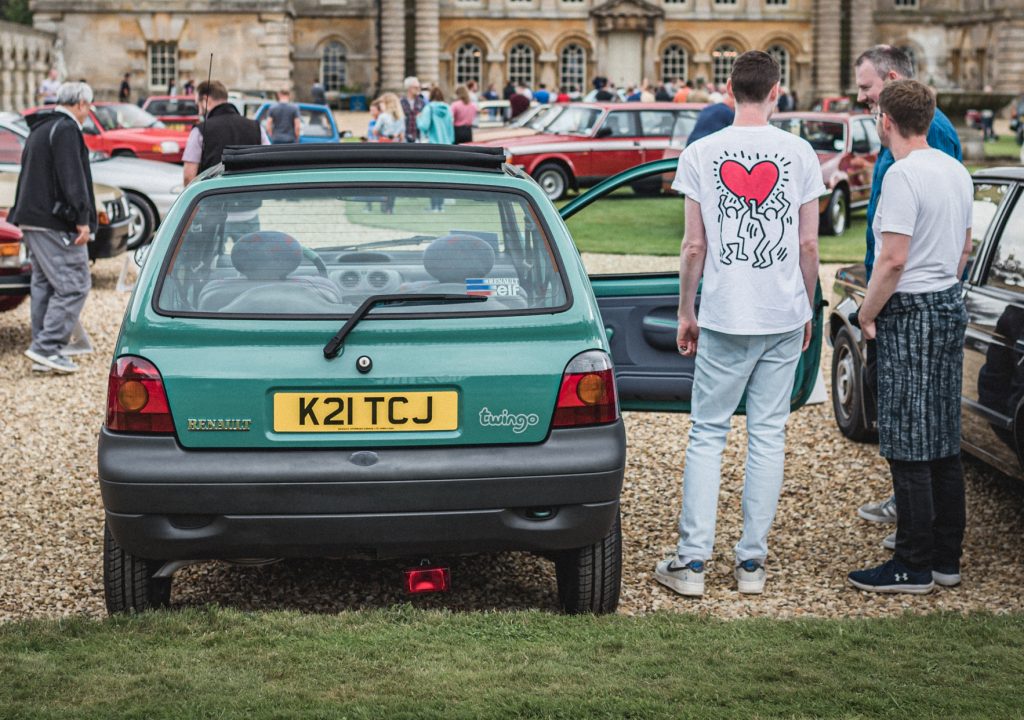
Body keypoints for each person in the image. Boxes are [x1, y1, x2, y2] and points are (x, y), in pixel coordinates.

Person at [654, 50, 824, 597]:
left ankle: (693, 561)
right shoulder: (800, 152)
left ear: (729, 89)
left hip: (726, 311)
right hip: (780, 311)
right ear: (777, 91)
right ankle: (752, 564)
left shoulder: (702, 151)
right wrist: (807, 307)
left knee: (708, 433)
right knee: (768, 434)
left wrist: (686, 310)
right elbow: (807, 244)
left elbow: (693, 245)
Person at [847, 80, 973, 594]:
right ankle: (946, 557)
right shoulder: (956, 170)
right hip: (948, 300)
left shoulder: (903, 176)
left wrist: (867, 314)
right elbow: (964, 246)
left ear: (886, 122)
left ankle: (912, 563)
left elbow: (893, 259)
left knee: (906, 438)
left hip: (911, 310)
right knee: (942, 435)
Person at [10, 82, 97, 374]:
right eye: (89, 107)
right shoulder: (66, 129)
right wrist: (82, 219)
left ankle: (44, 350)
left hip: (31, 217)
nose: (88, 113)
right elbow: (72, 176)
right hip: (54, 220)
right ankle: (46, 347)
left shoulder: (40, 127)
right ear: (81, 104)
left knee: (45, 285)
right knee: (75, 284)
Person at [182, 81, 269, 186]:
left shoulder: (200, 130)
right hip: (250, 198)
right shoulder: (256, 127)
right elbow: (267, 163)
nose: (199, 112)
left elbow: (189, 176)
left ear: (206, 100)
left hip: (213, 198)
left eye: (198, 105)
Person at [400, 76, 425, 143]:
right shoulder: (401, 102)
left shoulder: (422, 102)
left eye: (419, 87)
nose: (418, 89)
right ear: (409, 88)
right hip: (404, 138)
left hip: (418, 138)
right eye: (416, 87)